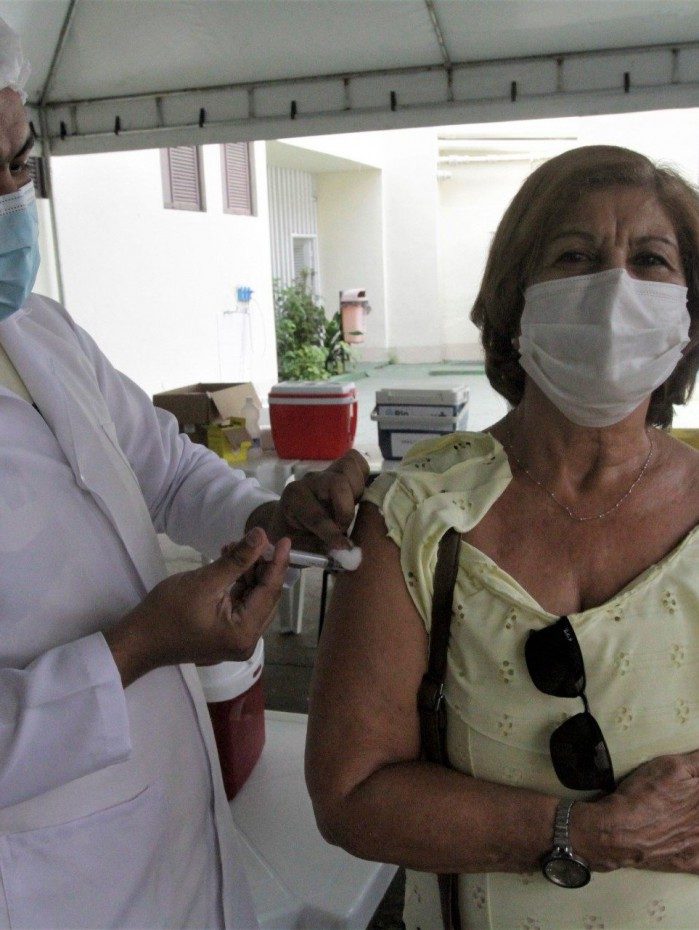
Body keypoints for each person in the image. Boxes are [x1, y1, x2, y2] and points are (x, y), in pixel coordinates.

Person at [0, 19, 368, 930]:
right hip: (46, 880)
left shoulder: (38, 332)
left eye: (16, 162)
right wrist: (135, 649)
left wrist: (271, 513)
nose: (12, 199)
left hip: (169, 828)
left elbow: (162, 466)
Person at [306, 143, 699, 930]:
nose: (613, 291)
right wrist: (590, 834)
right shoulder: (415, 516)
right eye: (574, 256)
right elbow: (352, 795)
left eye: (650, 259)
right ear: (513, 301)